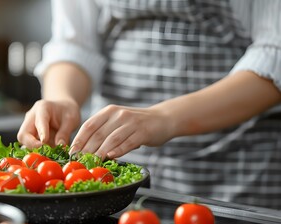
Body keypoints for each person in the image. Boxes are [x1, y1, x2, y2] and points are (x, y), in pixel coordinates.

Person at [17, 0, 281, 209]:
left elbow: (275, 53)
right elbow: (74, 43)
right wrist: (62, 97)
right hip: (116, 174)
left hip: (236, 168)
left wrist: (165, 117)